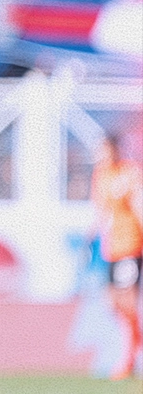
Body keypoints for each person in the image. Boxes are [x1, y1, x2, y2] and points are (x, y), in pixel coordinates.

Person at [92, 133, 143, 379]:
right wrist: (92, 234)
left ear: (114, 149)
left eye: (103, 150)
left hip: (130, 245)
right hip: (110, 248)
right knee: (112, 302)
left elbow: (139, 205)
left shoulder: (129, 173)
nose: (100, 155)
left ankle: (129, 357)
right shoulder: (101, 175)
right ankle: (137, 337)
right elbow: (101, 211)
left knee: (128, 299)